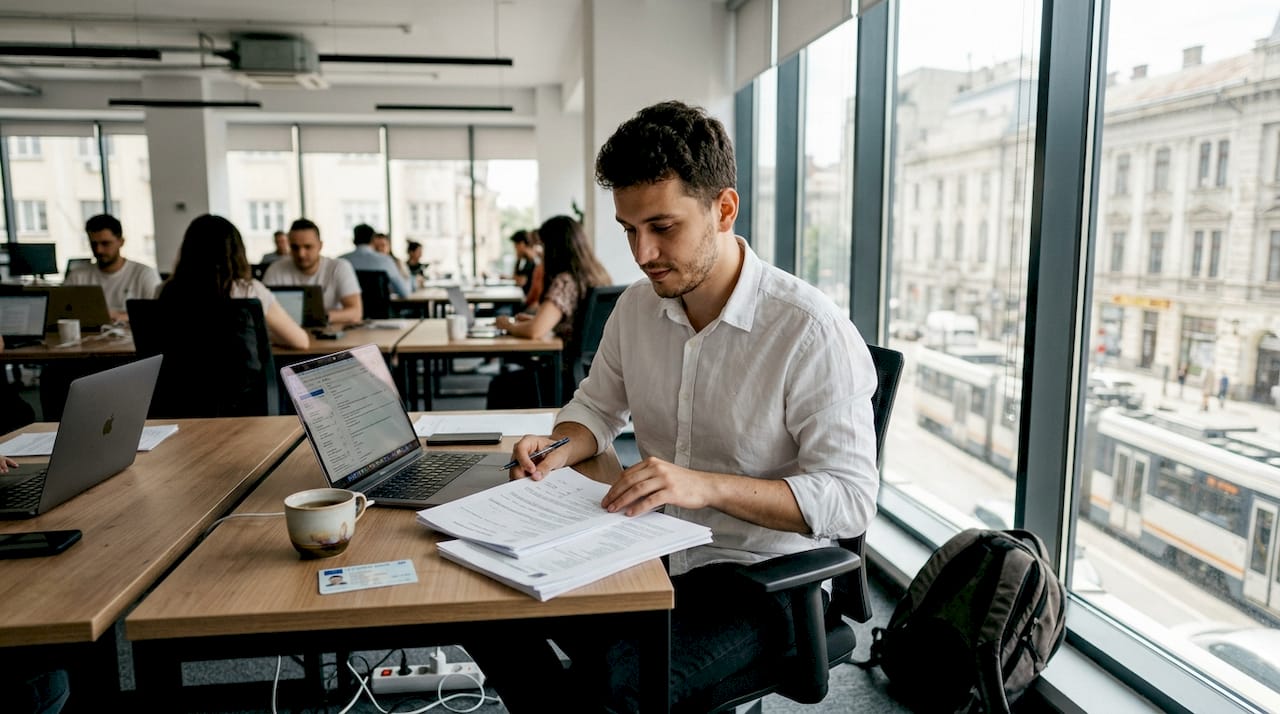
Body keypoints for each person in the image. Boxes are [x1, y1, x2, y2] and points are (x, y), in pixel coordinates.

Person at [474, 101, 879, 712]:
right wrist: (558, 443)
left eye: (663, 228)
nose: (642, 253)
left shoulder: (808, 330)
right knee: (488, 610)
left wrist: (702, 487)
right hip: (647, 550)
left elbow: (849, 502)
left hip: (759, 581)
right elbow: (596, 408)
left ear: (723, 208)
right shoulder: (638, 308)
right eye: (628, 229)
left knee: (612, 690)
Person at [158, 214, 309, 350]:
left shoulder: (164, 290)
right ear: (237, 252)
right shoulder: (249, 291)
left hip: (179, 380)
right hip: (240, 381)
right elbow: (300, 341)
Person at [494, 216, 610, 342]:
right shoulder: (598, 274)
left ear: (554, 247)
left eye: (543, 246)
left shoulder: (566, 282)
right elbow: (576, 324)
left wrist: (507, 325)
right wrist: (538, 321)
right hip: (592, 358)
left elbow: (535, 331)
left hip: (561, 356)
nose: (540, 252)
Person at [65, 214, 163, 323]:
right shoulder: (77, 276)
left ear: (121, 242)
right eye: (93, 244)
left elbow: (159, 313)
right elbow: (63, 313)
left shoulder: (144, 274)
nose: (99, 250)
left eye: (105, 243)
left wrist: (121, 316)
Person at [262, 218, 363, 324]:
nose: (301, 254)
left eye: (308, 247)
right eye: (295, 247)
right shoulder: (276, 269)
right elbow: (262, 310)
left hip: (329, 334)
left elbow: (356, 312)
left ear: (320, 246)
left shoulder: (339, 267)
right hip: (285, 334)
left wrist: (319, 317)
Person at [339, 224, 411, 298]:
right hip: (380, 309)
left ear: (353, 240)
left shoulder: (341, 261)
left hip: (350, 308)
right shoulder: (386, 261)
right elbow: (404, 292)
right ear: (373, 240)